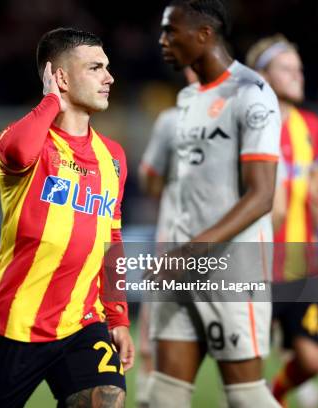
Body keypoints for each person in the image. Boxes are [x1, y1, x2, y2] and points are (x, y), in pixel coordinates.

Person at [0, 28, 134, 408]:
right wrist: (50, 103)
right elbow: (16, 151)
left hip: (82, 322)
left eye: (107, 67)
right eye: (95, 68)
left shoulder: (114, 157)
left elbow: (113, 242)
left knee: (106, 401)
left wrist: (118, 317)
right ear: (60, 77)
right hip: (12, 324)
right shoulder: (28, 142)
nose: (110, 77)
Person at [147, 0, 283, 406]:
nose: (162, 40)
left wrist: (190, 251)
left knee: (245, 397)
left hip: (231, 270)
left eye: (171, 31)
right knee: (162, 396)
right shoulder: (188, 98)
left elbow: (261, 196)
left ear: (204, 34)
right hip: (181, 269)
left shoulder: (253, 94)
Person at [246, 34, 318, 408]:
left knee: (311, 360)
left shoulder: (310, 126)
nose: (298, 75)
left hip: (304, 266)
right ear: (263, 76)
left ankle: (278, 394)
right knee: (246, 367)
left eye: (299, 68)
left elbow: (313, 175)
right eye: (288, 68)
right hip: (257, 268)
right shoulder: (249, 126)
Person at [136, 67, 197, 408]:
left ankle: (149, 393)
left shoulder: (171, 121)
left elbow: (150, 179)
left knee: (157, 331)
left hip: (178, 241)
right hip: (204, 247)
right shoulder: (171, 121)